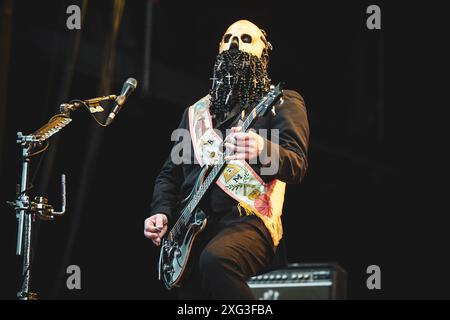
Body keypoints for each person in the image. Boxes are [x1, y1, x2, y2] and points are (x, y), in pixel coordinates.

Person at [144, 19, 309, 299]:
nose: (235, 43)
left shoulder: (281, 102)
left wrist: (261, 148)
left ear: (263, 54)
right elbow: (169, 175)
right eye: (228, 38)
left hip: (247, 221)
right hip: (190, 232)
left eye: (246, 39)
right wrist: (160, 210)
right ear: (219, 48)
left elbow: (297, 164)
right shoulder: (195, 113)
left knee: (216, 260)